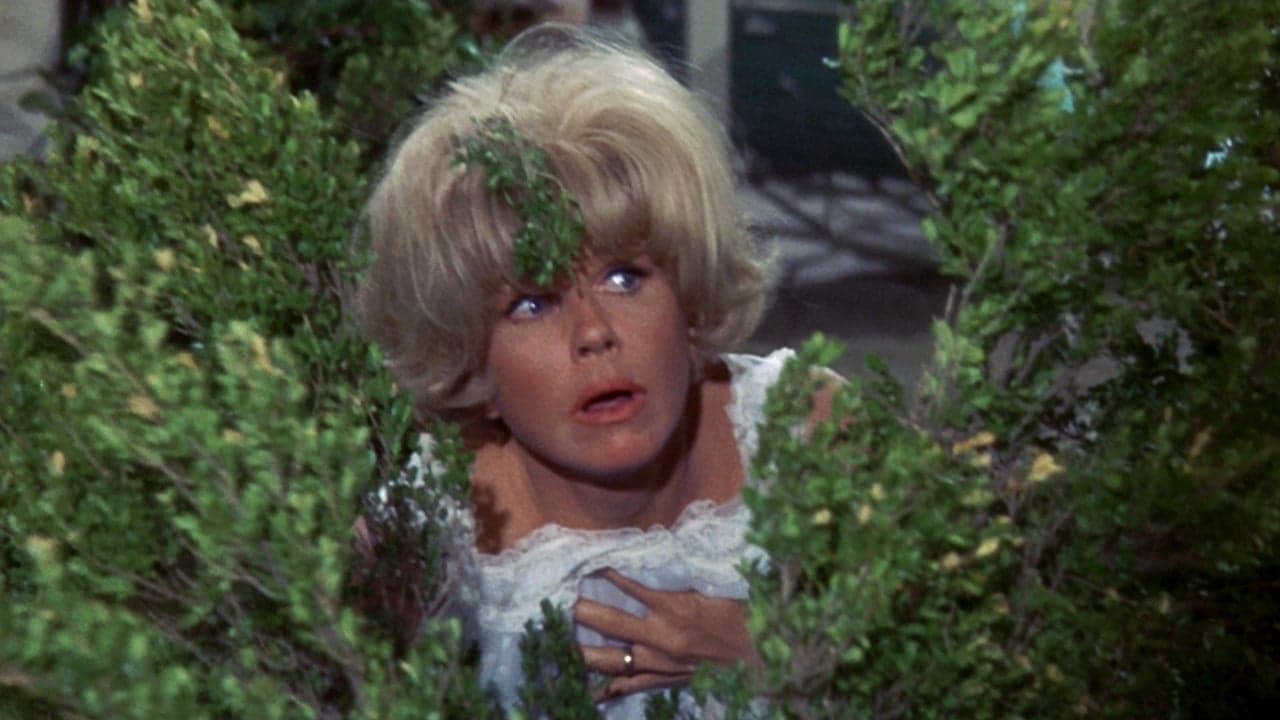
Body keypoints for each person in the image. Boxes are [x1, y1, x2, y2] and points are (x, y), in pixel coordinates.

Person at [356, 26, 828, 718]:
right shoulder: (428, 534)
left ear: (688, 298)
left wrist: (780, 648)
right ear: (472, 362)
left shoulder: (805, 427)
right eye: (532, 303)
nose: (594, 332)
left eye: (624, 277)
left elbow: (977, 646)